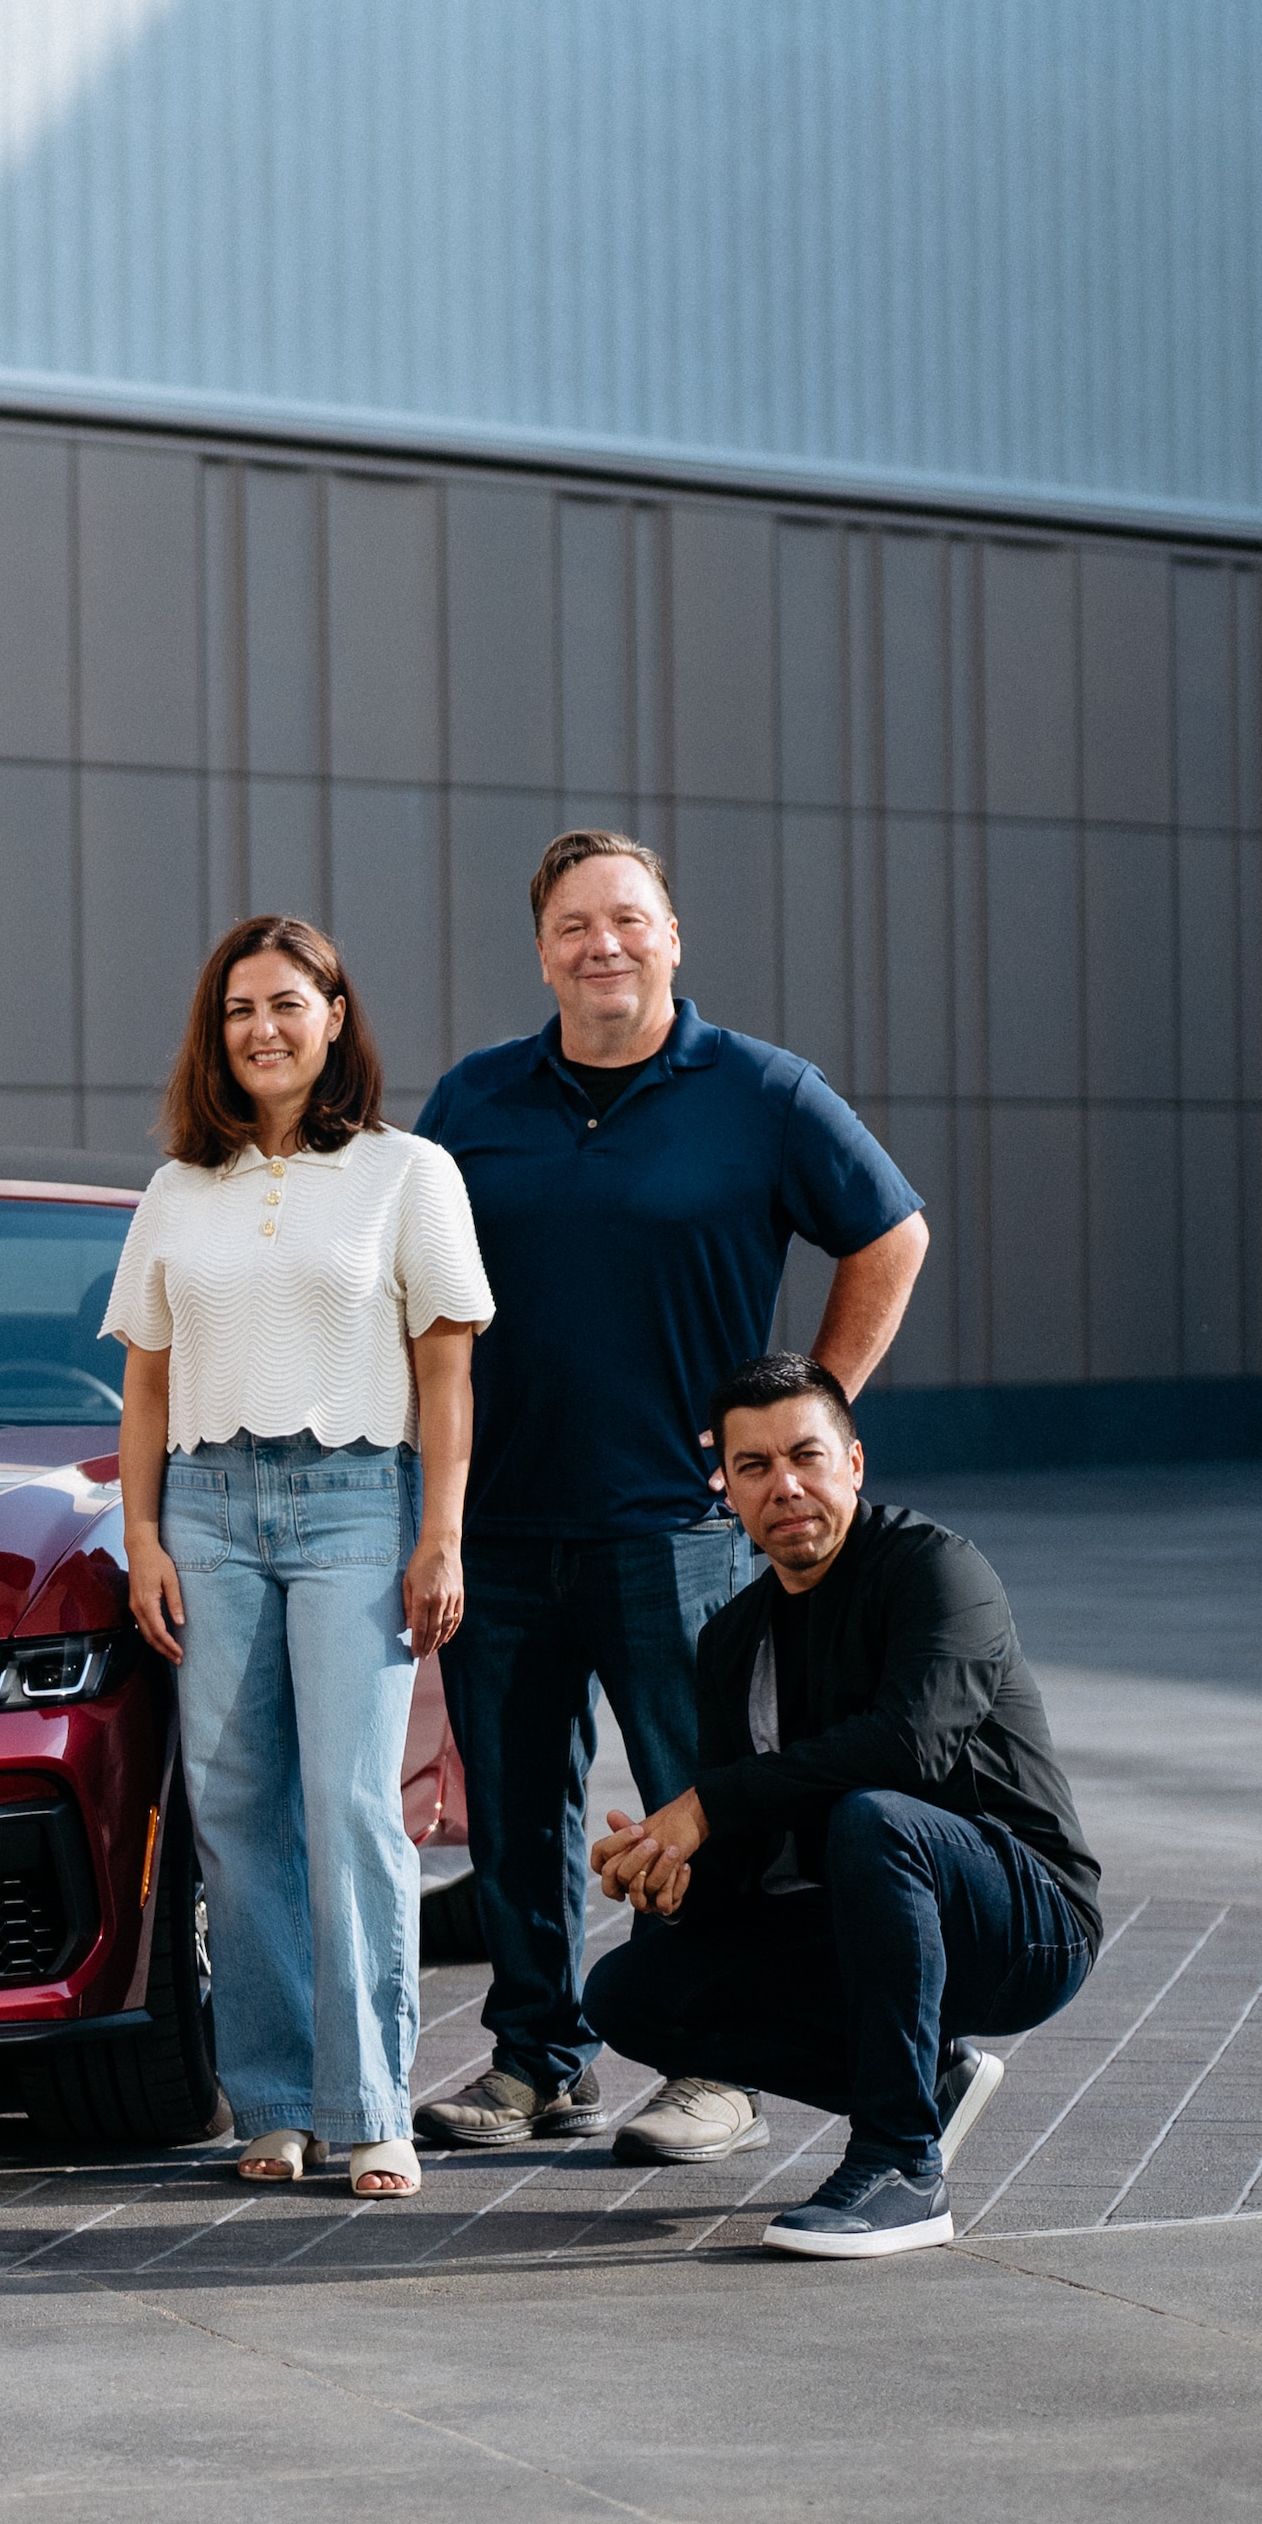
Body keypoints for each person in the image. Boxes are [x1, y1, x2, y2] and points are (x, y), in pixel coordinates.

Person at [409, 830, 933, 2163]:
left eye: (630, 919)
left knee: (705, 1800)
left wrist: (805, 1417)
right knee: (518, 1812)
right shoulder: (472, 1104)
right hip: (506, 1528)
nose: (606, 943)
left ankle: (716, 2066)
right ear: (541, 952)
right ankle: (537, 2058)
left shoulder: (760, 1091)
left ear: (672, 935)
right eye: (577, 924)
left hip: (683, 1532)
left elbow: (892, 1231)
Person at [109, 914, 493, 2203]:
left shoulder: (407, 1172)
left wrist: (437, 1531)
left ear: (334, 1017)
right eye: (236, 1010)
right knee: (231, 1815)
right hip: (207, 1512)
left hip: (352, 1506)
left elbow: (446, 1371)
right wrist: (144, 1536)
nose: (260, 1029)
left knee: (348, 1809)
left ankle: (371, 2103)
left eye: (285, 1003)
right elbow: (146, 1384)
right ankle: (271, 2101)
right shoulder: (177, 1188)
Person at [583, 1355, 1103, 2257]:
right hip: (864, 1921)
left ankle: (904, 2167)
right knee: (633, 1991)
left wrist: (705, 1806)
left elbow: (910, 1749)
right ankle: (926, 2083)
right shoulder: (734, 1640)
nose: (784, 1485)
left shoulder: (938, 1572)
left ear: (853, 1464)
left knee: (876, 1817)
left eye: (806, 1457)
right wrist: (676, 1881)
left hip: (1022, 1920)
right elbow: (746, 1858)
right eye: (754, 1468)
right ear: (730, 1492)